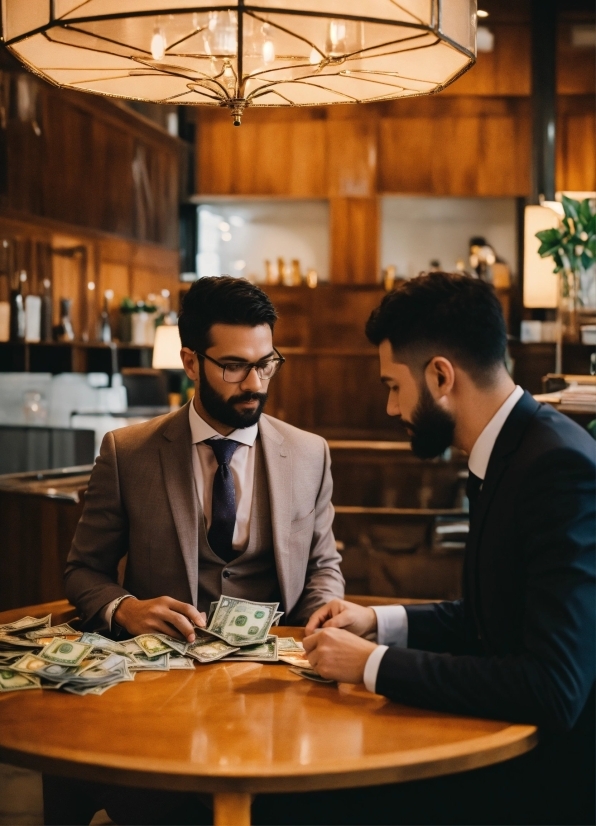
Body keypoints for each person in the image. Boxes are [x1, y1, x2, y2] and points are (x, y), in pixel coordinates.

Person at [299, 272, 595, 826]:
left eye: (393, 385)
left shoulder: (558, 468)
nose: (390, 408)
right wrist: (377, 623)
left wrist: (374, 666)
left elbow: (554, 688)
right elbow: (492, 620)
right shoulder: (513, 449)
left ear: (440, 376)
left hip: (540, 786)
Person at [57, 276, 344, 826]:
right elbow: (83, 570)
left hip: (280, 697)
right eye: (234, 366)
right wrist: (124, 608)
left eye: (266, 364)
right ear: (191, 362)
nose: (254, 383)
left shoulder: (310, 454)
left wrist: (325, 611)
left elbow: (324, 565)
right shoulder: (128, 453)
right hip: (161, 702)